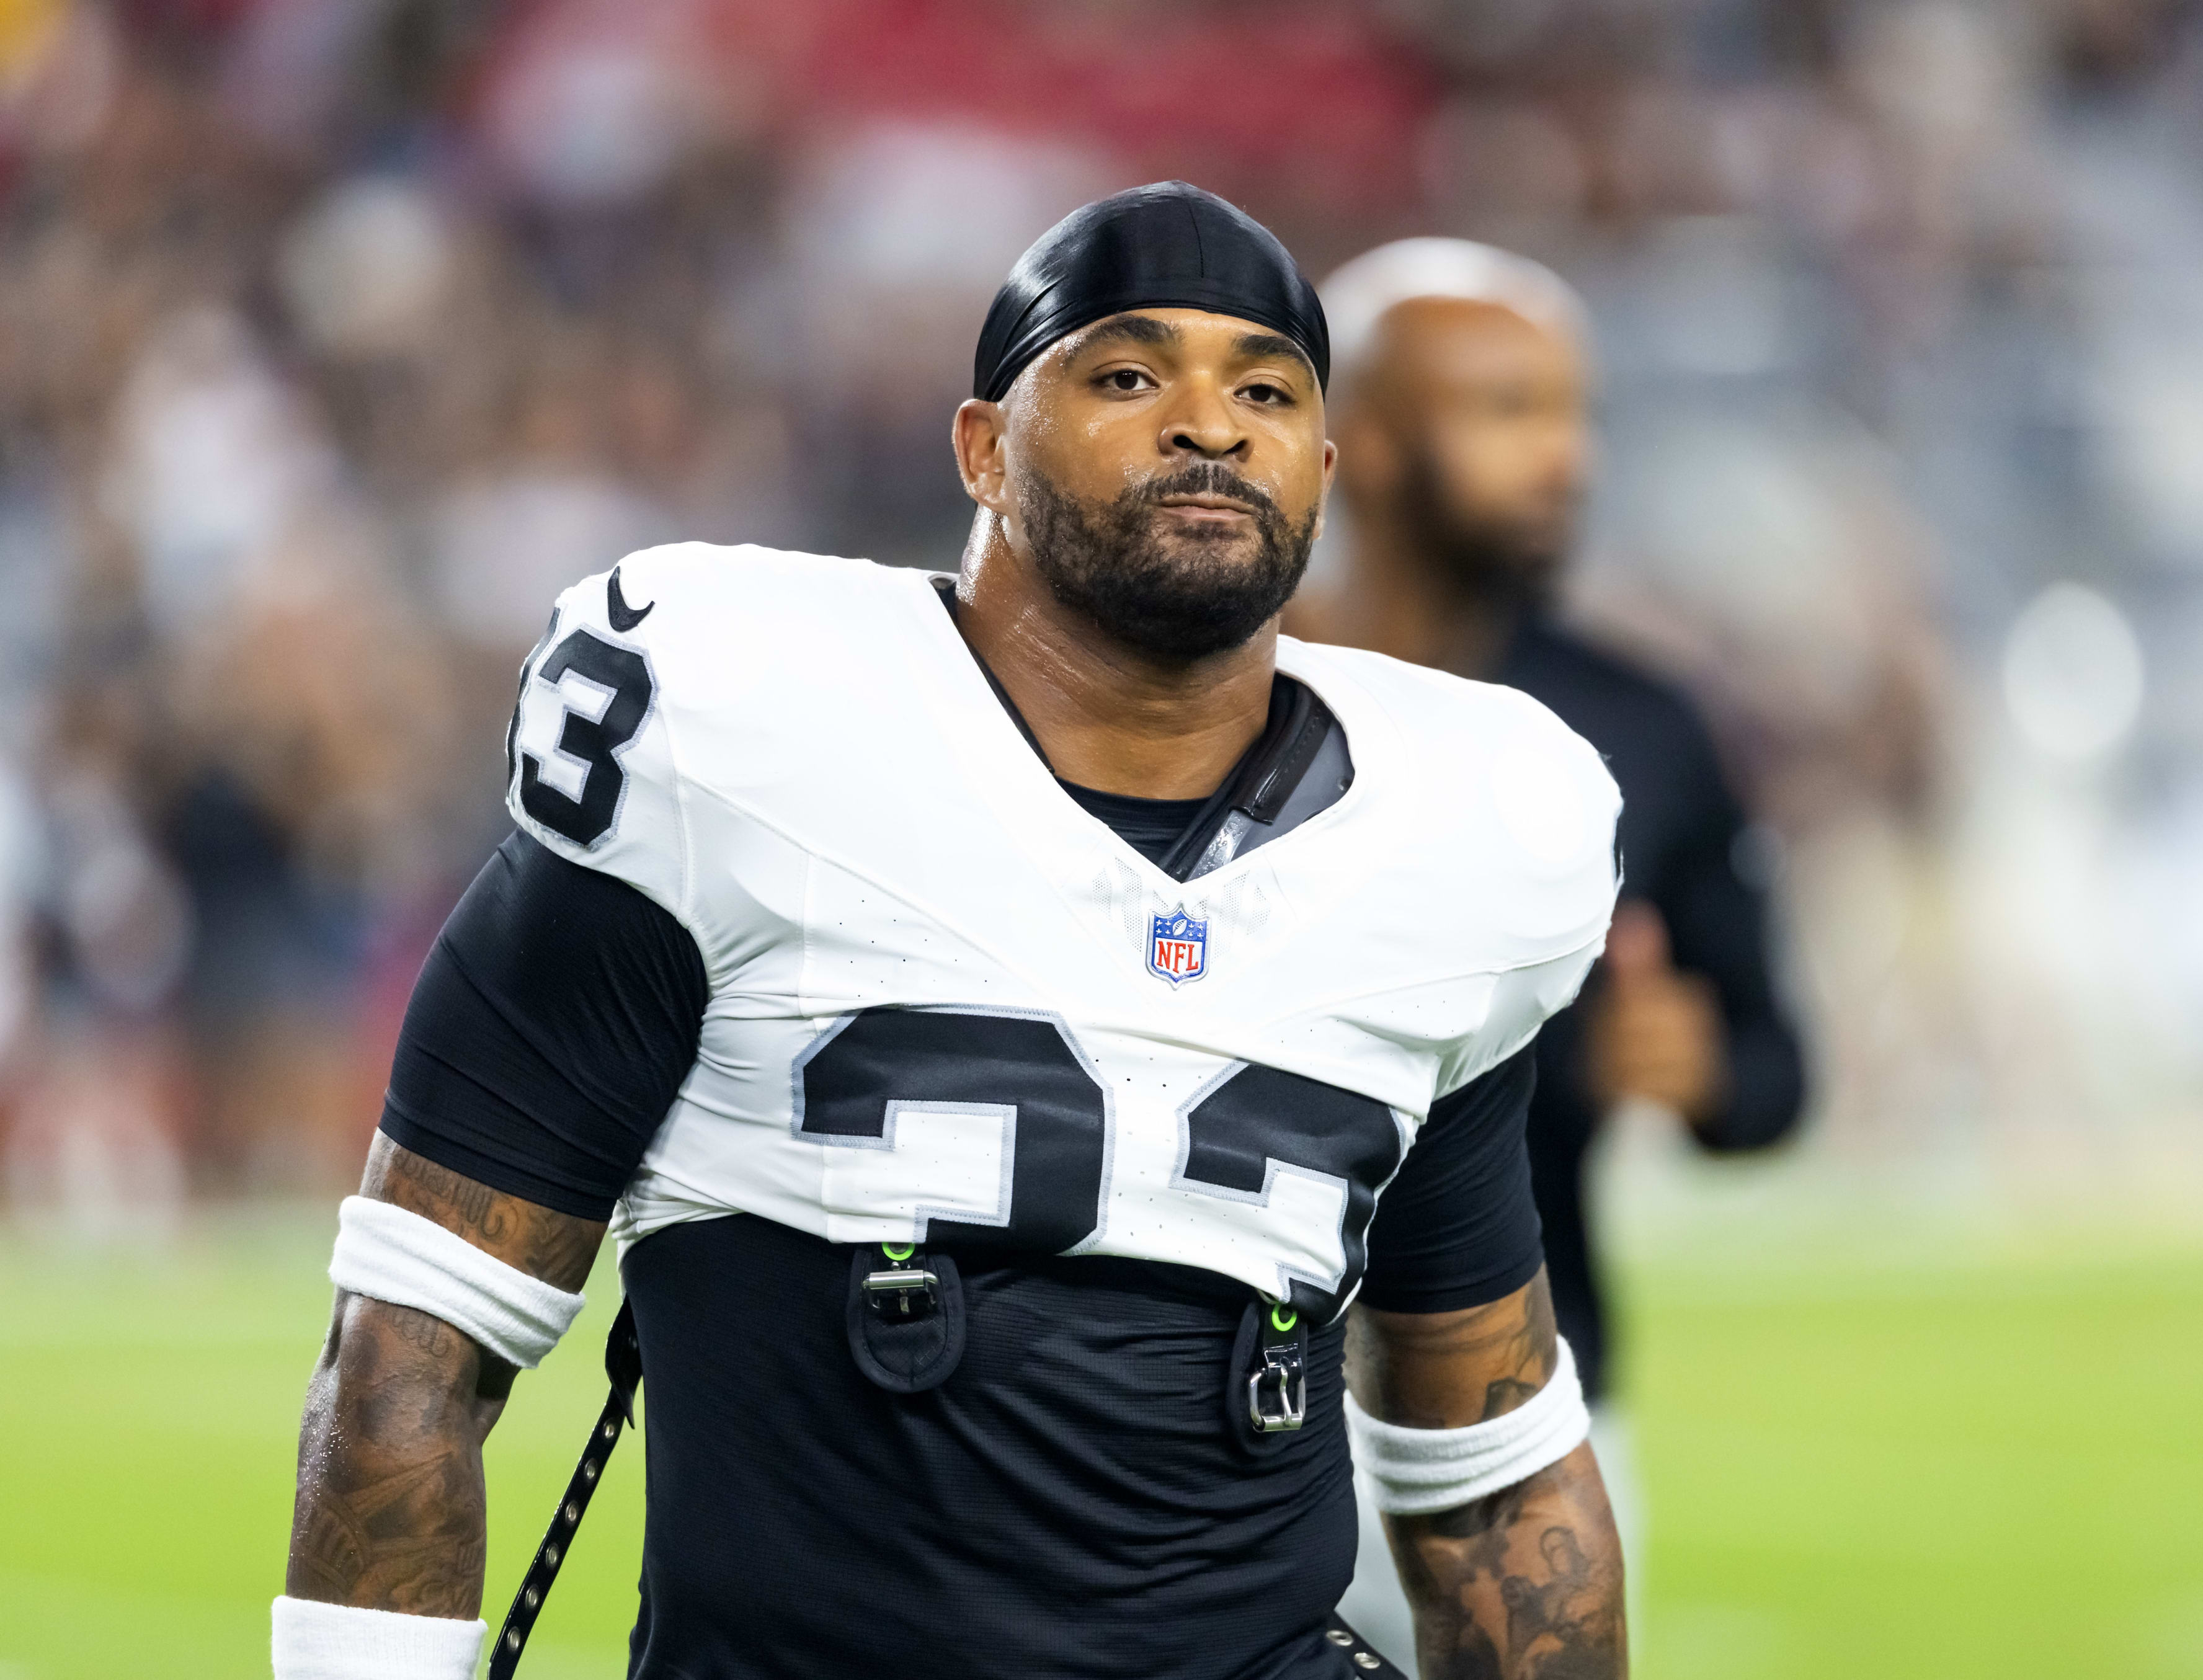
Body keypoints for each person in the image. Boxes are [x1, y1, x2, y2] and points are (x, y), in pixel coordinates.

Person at [272, 185, 1631, 1680]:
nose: (1210, 425)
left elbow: (1492, 1484)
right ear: (984, 448)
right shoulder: (738, 730)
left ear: (1321, 462)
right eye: (1128, 375)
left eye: (1265, 390)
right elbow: (416, 1337)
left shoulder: (1459, 831)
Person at [1295, 239, 1807, 1664]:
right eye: (1510, 409)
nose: (1565, 455)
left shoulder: (1646, 723)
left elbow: (1776, 1073)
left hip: (1533, 1393)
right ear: (1372, 443)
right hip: (1209, 1392)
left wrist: (1703, 1070)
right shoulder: (1206, 687)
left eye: (1574, 412)